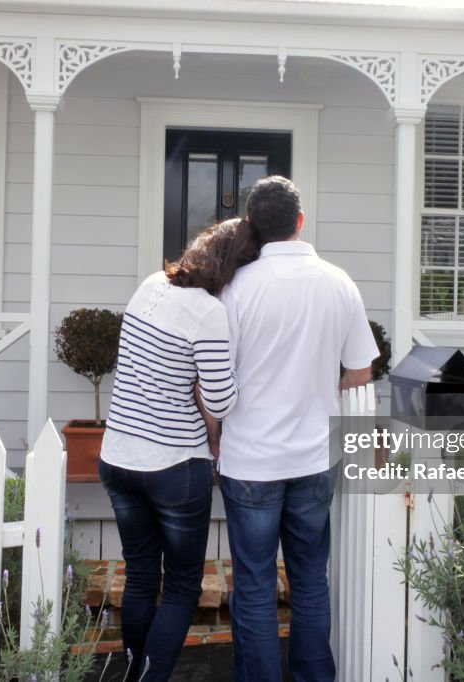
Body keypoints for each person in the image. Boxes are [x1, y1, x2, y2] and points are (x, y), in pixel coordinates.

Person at [218, 176, 379, 682]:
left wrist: (215, 437)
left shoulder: (236, 289)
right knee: (310, 581)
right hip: (314, 458)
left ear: (252, 226)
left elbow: (216, 379)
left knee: (255, 584)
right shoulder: (339, 282)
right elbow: (359, 372)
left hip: (250, 461)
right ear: (300, 222)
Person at [98, 218, 260, 682]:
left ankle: (133, 674)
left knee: (142, 576)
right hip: (171, 465)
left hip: (118, 457)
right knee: (183, 585)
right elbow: (221, 400)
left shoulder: (150, 285)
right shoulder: (208, 313)